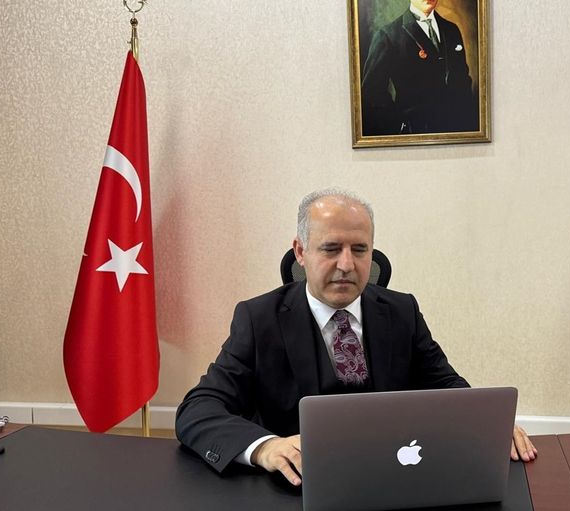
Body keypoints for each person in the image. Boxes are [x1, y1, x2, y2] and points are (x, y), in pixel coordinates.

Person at [176, 188, 537, 486]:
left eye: (360, 250)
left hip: (395, 475)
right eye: (331, 248)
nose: (347, 265)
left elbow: (445, 385)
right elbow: (198, 408)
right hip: (300, 484)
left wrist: (487, 423)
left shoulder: (402, 311)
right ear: (300, 252)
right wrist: (265, 447)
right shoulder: (259, 320)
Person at [360, 0, 479, 135]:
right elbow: (372, 93)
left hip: (456, 131)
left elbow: (463, 80)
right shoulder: (387, 36)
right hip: (416, 134)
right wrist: (400, 124)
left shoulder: (451, 29)